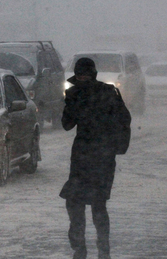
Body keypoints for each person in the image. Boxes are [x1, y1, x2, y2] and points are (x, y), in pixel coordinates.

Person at [59, 58, 131, 259]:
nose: (83, 79)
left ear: (92, 75)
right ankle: (85, 249)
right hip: (88, 157)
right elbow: (67, 124)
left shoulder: (104, 93)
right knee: (78, 202)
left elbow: (123, 120)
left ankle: (97, 250)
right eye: (80, 75)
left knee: (93, 204)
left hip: (98, 156)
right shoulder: (94, 93)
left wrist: (116, 147)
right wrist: (72, 101)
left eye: (85, 75)